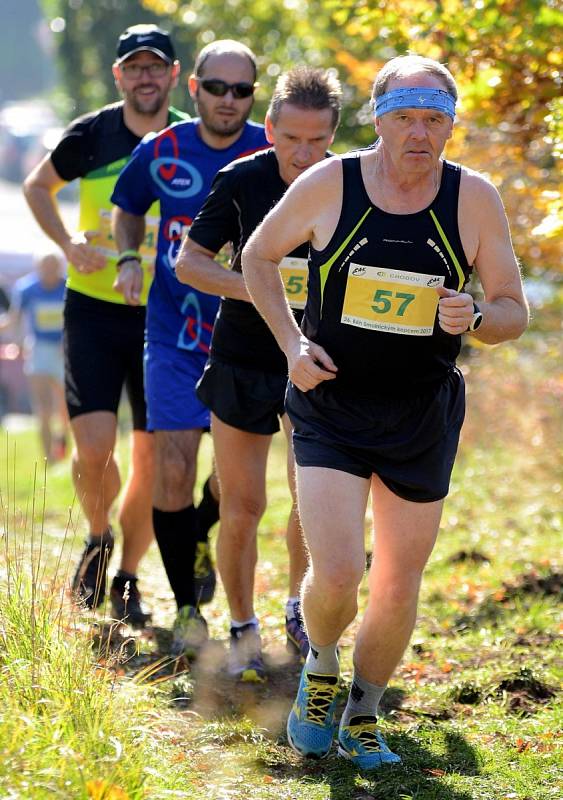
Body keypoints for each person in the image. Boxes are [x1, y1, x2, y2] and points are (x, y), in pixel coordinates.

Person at [242, 54, 528, 767]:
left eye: (434, 120)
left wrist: (475, 316)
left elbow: (511, 313)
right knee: (338, 573)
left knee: (398, 580)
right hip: (329, 399)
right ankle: (321, 668)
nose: (419, 135)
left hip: (420, 410)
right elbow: (257, 255)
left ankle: (363, 712)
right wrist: (290, 344)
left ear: (450, 126)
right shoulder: (329, 184)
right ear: (377, 120)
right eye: (404, 118)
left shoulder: (472, 198)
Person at [175, 66, 342, 681]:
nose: (302, 154)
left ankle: (300, 611)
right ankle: (242, 627)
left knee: (314, 502)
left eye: (316, 141)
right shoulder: (241, 179)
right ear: (268, 128)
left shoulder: (351, 186)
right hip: (244, 359)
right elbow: (190, 264)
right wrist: (260, 290)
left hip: (317, 364)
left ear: (334, 135)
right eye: (290, 139)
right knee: (243, 504)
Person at [22, 24, 188, 628]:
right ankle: (97, 539)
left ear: (173, 75)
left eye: (156, 66)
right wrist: (67, 244)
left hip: (164, 316)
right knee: (94, 448)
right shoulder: (91, 135)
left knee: (148, 456)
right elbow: (37, 185)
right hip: (92, 309)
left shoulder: (190, 139)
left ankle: (127, 578)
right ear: (118, 76)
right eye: (134, 67)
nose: (145, 76)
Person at [111, 40, 268, 657]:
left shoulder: (277, 149)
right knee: (171, 470)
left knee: (230, 488)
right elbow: (127, 209)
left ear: (254, 95)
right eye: (217, 87)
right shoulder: (161, 150)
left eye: (242, 90)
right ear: (194, 86)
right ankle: (185, 609)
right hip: (174, 336)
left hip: (247, 343)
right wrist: (129, 256)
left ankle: (201, 538)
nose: (228, 100)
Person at [0, 250, 68, 463]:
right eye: (45, 267)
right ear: (38, 268)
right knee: (43, 408)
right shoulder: (27, 289)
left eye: (53, 267)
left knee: (66, 407)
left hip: (64, 350)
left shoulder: (68, 287)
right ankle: (49, 458)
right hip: (39, 350)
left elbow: (77, 319)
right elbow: (15, 319)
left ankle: (63, 438)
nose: (49, 272)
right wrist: (17, 341)